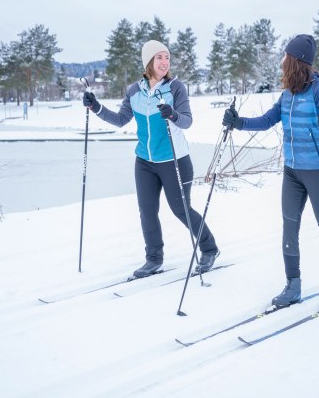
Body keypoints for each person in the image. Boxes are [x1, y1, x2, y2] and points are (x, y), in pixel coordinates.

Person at [222, 34, 319, 307]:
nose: (282, 62)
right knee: (289, 228)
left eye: (286, 57)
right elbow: (267, 120)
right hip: (292, 173)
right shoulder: (287, 94)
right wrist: (237, 122)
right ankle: (293, 286)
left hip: (317, 171)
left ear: (297, 61)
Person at [82, 40, 220, 278]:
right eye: (159, 58)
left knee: (181, 209)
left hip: (174, 159)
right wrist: (96, 107)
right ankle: (153, 259)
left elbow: (187, 120)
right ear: (149, 61)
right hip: (145, 161)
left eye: (167, 57)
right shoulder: (134, 91)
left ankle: (209, 249)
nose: (165, 62)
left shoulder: (176, 88)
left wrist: (173, 114)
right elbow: (120, 119)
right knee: (147, 210)